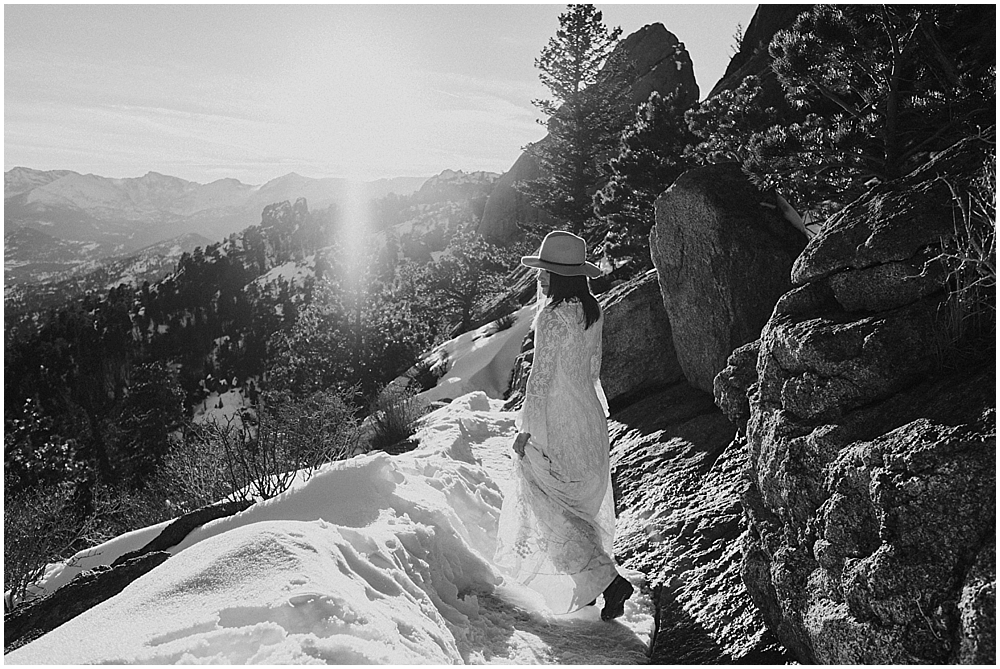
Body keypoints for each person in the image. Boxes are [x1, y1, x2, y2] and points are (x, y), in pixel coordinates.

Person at [495, 230, 634, 621]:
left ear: (558, 275)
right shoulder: (594, 310)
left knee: (551, 503)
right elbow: (593, 371)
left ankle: (608, 581)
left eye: (544, 271)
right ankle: (588, 585)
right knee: (577, 509)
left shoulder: (551, 316)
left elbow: (539, 378)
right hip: (588, 418)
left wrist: (527, 430)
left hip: (558, 422)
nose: (539, 278)